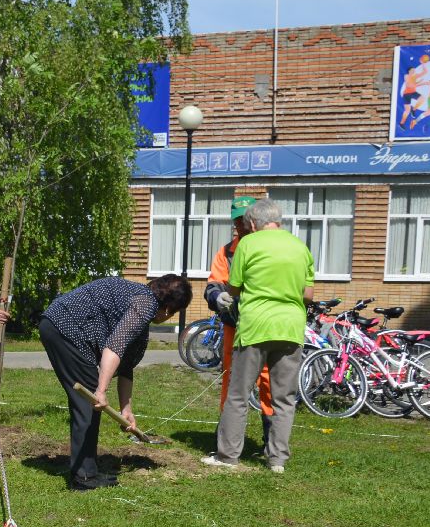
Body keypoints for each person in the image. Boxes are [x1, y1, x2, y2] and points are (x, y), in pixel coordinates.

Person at [39, 273, 193, 490]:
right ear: (169, 309)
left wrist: (125, 409)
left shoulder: (138, 302)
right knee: (89, 403)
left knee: (88, 402)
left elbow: (126, 364)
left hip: (57, 324)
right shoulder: (145, 304)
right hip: (65, 327)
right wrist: (101, 391)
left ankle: (85, 471)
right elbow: (115, 346)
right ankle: (84, 477)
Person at [202, 199, 314, 474]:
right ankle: (277, 461)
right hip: (290, 328)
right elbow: (308, 295)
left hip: (255, 327)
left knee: (238, 394)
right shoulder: (300, 247)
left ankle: (228, 456)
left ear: (252, 224)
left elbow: (234, 288)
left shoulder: (247, 244)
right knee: (284, 398)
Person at [205, 195, 274, 450]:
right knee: (232, 379)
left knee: (269, 382)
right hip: (234, 327)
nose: (241, 226)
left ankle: (272, 438)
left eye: (244, 220)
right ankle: (227, 437)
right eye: (237, 221)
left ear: (255, 220)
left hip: (266, 326)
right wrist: (216, 296)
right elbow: (214, 282)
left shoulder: (272, 249)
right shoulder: (226, 252)